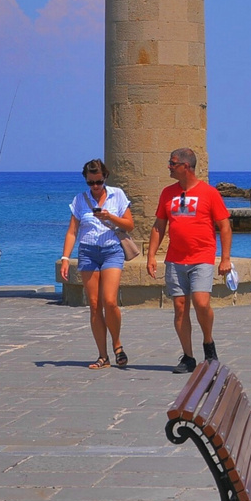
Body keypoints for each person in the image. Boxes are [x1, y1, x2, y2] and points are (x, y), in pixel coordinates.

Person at [148, 147, 233, 374]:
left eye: (173, 163)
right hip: (175, 259)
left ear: (186, 167)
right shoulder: (167, 193)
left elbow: (224, 226)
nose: (169, 166)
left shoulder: (209, 193)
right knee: (179, 307)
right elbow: (159, 226)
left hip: (202, 257)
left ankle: (208, 343)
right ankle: (188, 357)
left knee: (202, 303)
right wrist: (150, 256)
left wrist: (225, 258)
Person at [56, 160, 133, 370]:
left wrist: (111, 217)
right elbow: (72, 232)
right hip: (88, 252)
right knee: (94, 304)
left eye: (99, 181)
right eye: (91, 182)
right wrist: (65, 258)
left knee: (109, 301)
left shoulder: (118, 195)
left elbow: (130, 224)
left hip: (112, 251)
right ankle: (103, 356)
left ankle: (117, 344)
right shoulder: (80, 200)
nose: (95, 186)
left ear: (105, 177)